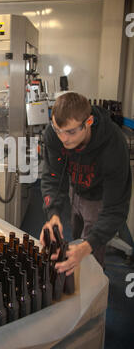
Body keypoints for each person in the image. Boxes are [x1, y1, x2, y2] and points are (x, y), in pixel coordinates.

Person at [40, 92, 132, 275]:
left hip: (100, 198)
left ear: (88, 122)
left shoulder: (113, 143)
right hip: (77, 190)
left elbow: (116, 207)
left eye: (71, 132)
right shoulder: (53, 134)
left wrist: (88, 245)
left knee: (91, 257)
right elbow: (52, 177)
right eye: (59, 130)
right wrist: (54, 215)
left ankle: (94, 287)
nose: (63, 138)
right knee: (75, 237)